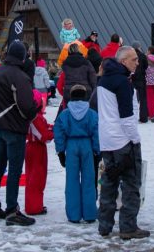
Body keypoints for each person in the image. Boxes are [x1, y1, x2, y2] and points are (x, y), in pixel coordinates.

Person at [96, 46, 149, 240]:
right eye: (134, 59)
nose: (137, 62)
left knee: (108, 182)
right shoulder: (122, 83)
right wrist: (135, 139)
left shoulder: (103, 79)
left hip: (107, 139)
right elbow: (127, 116)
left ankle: (104, 225)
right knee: (131, 184)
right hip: (123, 141)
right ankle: (128, 227)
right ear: (123, 61)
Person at [0, 40, 41, 226]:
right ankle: (12, 211)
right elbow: (26, 107)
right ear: (23, 56)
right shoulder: (19, 76)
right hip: (14, 129)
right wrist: (37, 107)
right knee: (15, 171)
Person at [54, 84, 100, 223]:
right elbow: (97, 132)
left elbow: (59, 133)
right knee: (89, 181)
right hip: (87, 146)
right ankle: (90, 213)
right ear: (85, 96)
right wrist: (97, 151)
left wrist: (61, 151)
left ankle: (74, 215)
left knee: (71, 180)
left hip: (71, 145)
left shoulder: (65, 114)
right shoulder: (92, 113)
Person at [25, 91, 53, 216]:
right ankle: (34, 207)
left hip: (33, 148)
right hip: (36, 149)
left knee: (33, 177)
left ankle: (35, 204)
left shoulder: (33, 117)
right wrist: (54, 133)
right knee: (37, 178)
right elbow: (44, 136)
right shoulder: (35, 118)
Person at [58, 43, 98, 107]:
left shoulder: (65, 64)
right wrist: (93, 90)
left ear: (69, 51)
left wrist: (64, 93)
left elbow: (60, 82)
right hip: (85, 92)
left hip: (69, 92)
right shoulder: (86, 62)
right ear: (79, 50)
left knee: (69, 114)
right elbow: (93, 77)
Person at [130, 41, 149, 123]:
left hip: (132, 78)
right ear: (138, 47)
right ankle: (143, 118)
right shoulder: (143, 55)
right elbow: (146, 66)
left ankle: (131, 116)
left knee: (131, 98)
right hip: (141, 78)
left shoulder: (130, 56)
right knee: (143, 99)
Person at [145, 48, 154, 119]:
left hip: (148, 83)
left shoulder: (146, 59)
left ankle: (151, 115)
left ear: (150, 51)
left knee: (149, 99)